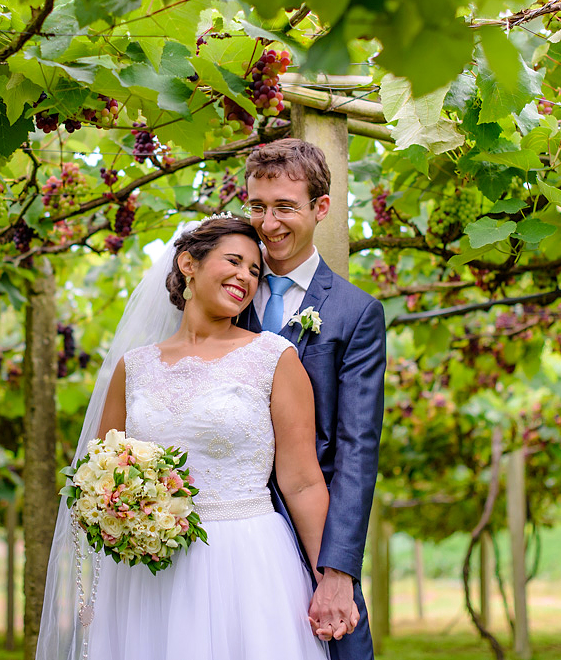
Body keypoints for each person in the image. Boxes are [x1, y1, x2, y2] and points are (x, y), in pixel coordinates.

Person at [36, 215, 333, 660]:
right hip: (148, 571)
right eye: (234, 261)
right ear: (188, 263)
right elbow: (101, 471)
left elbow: (303, 481)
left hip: (245, 559)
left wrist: (329, 578)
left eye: (255, 271)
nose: (245, 277)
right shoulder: (132, 367)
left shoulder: (274, 357)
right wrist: (121, 510)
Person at [240, 137, 387, 660]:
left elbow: (356, 448)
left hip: (315, 534)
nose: (269, 223)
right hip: (226, 530)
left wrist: (338, 569)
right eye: (257, 207)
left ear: (320, 208)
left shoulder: (355, 314)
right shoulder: (223, 297)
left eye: (285, 207)